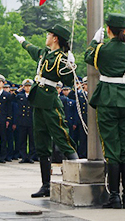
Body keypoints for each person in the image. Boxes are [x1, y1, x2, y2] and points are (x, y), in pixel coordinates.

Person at [13, 24, 79, 198]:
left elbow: (70, 81)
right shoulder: (45, 53)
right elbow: (33, 50)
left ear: (55, 38)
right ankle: (45, 185)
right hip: (39, 100)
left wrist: (71, 66)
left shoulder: (60, 59)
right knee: (41, 142)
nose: (47, 37)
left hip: (50, 101)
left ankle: (80, 174)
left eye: (49, 34)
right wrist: (23, 42)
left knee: (62, 136)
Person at [84, 13, 125, 209]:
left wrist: (93, 41)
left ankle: (114, 196)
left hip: (107, 100)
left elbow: (88, 57)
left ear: (108, 30)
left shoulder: (101, 49)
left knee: (112, 149)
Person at [15, 79, 36, 163]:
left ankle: (31, 157)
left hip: (31, 120)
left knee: (32, 140)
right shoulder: (20, 96)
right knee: (22, 140)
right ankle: (23, 157)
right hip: (22, 121)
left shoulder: (34, 96)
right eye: (26, 86)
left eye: (29, 86)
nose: (27, 88)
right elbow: (11, 97)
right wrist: (18, 90)